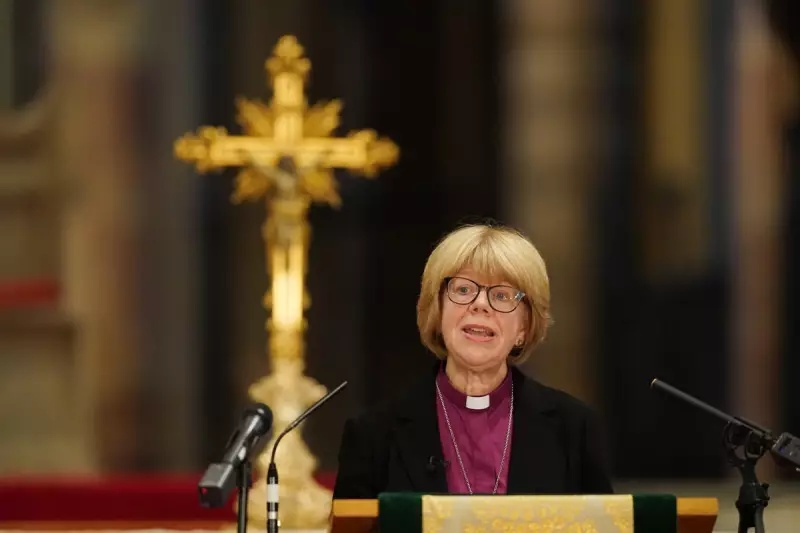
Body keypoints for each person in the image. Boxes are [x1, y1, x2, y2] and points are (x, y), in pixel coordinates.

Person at [332, 223, 613, 498]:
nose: (480, 304)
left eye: (502, 295)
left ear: (524, 328)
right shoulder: (372, 436)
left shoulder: (576, 430)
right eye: (464, 290)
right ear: (438, 311)